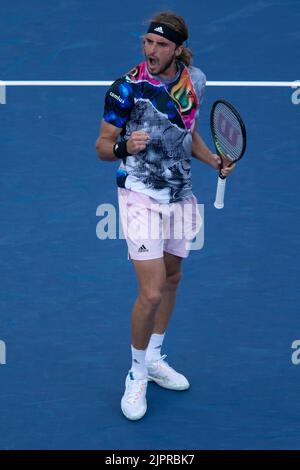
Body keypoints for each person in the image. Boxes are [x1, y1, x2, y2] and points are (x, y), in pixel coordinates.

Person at [96, 11, 235, 421]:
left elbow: (186, 131)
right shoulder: (126, 89)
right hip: (139, 196)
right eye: (147, 43)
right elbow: (102, 146)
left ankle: (154, 358)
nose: (150, 51)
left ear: (178, 49)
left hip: (181, 195)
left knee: (173, 278)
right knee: (152, 291)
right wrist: (126, 147)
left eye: (160, 45)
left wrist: (214, 161)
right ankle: (136, 373)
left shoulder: (196, 82)